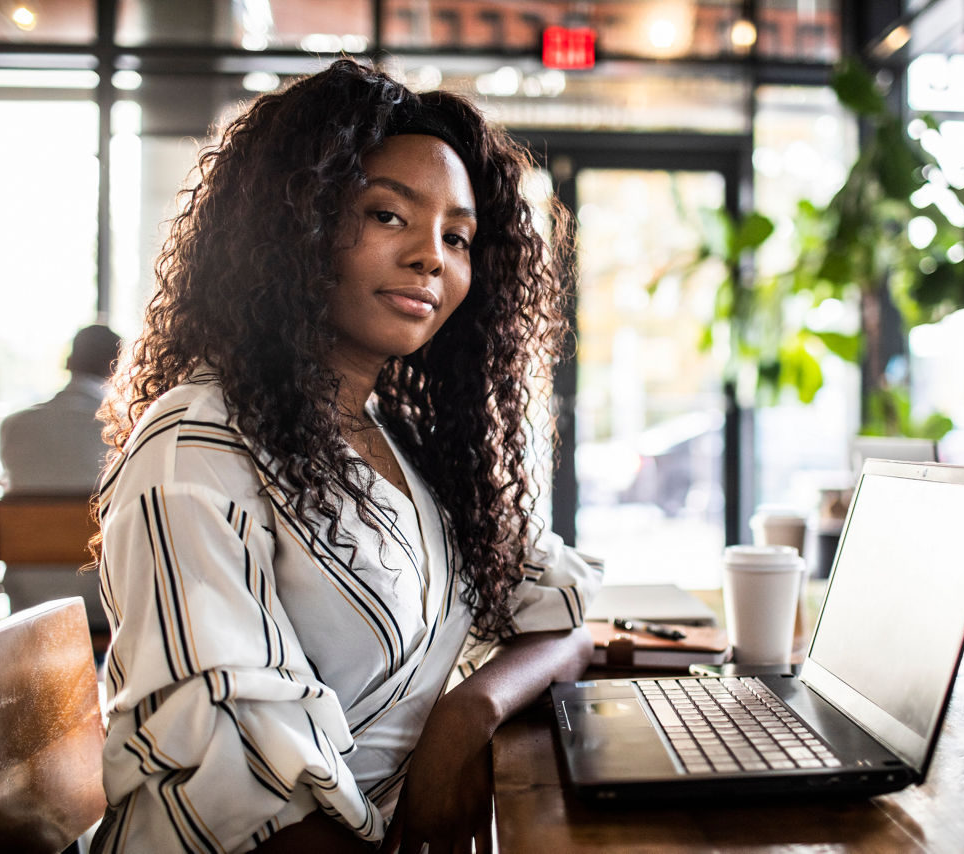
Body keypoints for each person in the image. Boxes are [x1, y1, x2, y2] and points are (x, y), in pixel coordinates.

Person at [92, 59, 603, 853]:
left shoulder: (396, 440)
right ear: (292, 226)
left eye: (457, 237)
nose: (432, 257)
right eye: (389, 216)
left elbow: (566, 620)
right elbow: (241, 800)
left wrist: (469, 714)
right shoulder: (194, 451)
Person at [0, 323, 122, 493]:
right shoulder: (122, 431)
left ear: (68, 362)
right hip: (90, 519)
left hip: (24, 520)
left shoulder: (14, 424)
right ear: (117, 368)